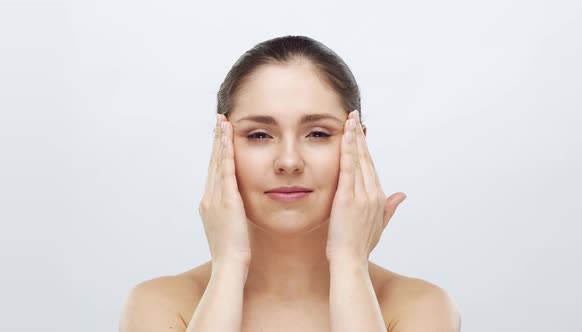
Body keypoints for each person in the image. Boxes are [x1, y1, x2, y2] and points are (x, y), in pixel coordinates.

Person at [119, 35, 461, 332]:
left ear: (358, 147)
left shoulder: (421, 307)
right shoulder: (160, 304)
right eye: (259, 135)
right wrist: (229, 264)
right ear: (221, 145)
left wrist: (348, 263)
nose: (288, 162)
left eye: (317, 133)